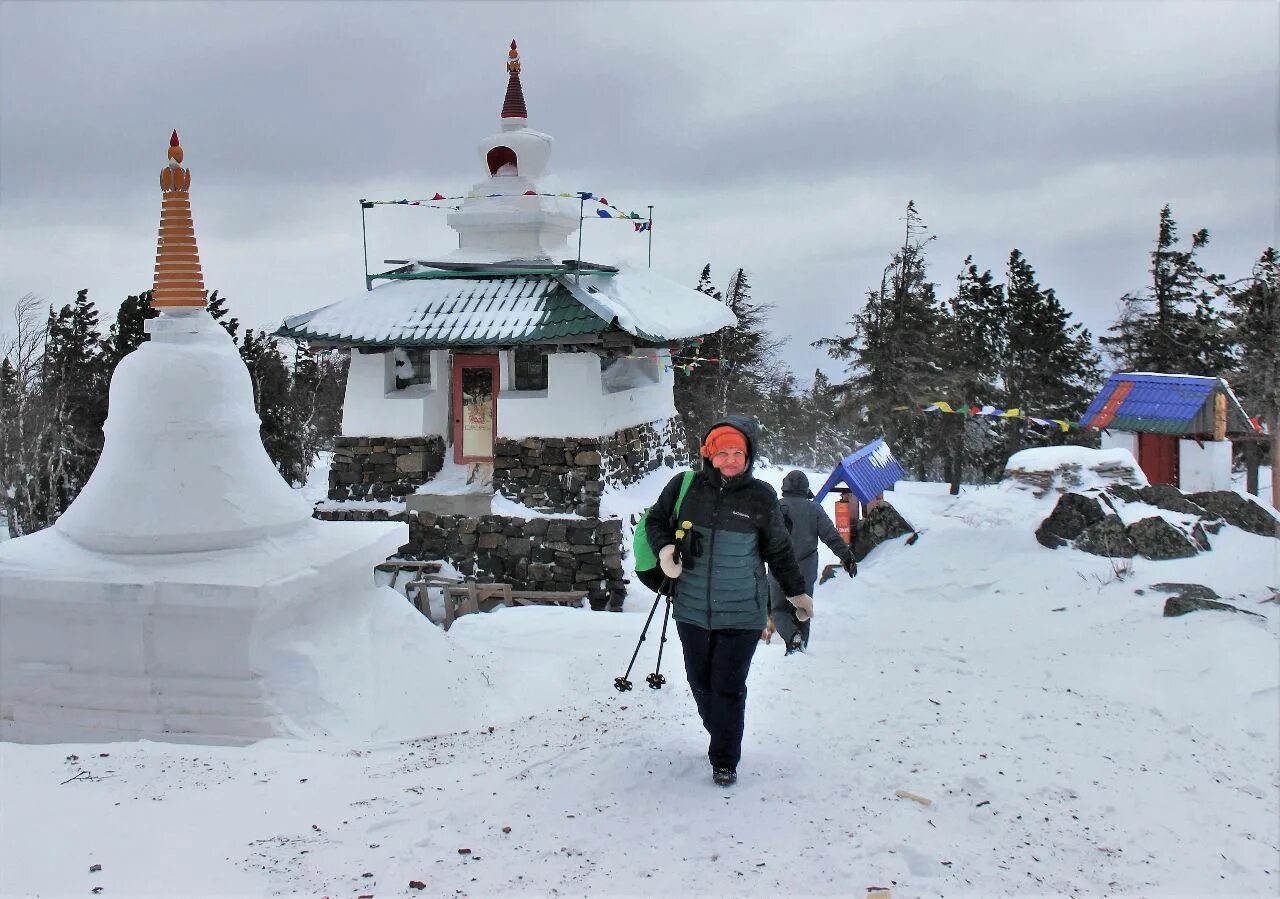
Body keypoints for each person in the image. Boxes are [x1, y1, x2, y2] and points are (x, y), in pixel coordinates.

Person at [645, 415, 810, 787]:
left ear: (750, 455)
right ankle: (720, 729)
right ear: (709, 454)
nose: (731, 460)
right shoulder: (685, 487)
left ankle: (724, 758)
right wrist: (666, 549)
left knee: (728, 686)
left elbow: (780, 550)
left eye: (739, 452)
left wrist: (796, 592)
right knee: (700, 682)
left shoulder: (761, 497)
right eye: (723, 453)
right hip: (691, 609)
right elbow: (655, 520)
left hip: (742, 612)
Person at [768, 469, 857, 655]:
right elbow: (831, 536)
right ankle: (800, 647)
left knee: (779, 609)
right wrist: (846, 556)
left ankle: (792, 639)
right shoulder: (814, 509)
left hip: (779, 569)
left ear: (785, 487)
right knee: (803, 609)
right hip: (805, 571)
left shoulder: (776, 507)